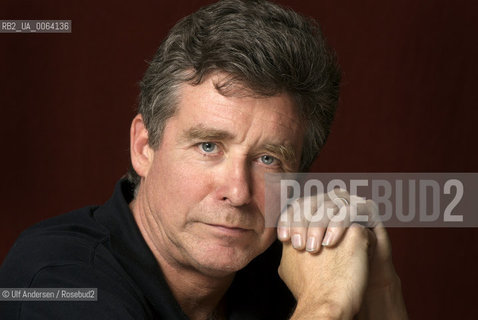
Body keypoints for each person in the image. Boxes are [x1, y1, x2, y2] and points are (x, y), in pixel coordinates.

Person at [0, 0, 408, 319]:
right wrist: (326, 308)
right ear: (145, 147)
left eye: (268, 158)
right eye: (208, 146)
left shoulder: (286, 268)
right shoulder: (59, 280)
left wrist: (378, 284)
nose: (238, 192)